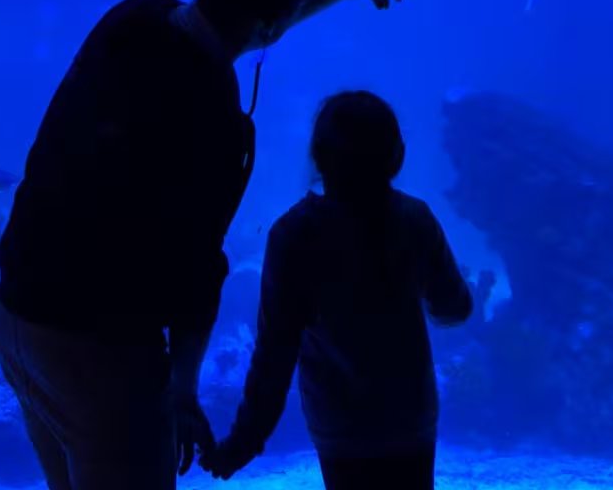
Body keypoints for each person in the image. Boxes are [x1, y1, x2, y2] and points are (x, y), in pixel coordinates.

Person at [0, 0, 413, 490]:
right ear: (277, 14)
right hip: (96, 351)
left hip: (18, 320)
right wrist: (183, 389)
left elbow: (244, 25)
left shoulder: (135, 16)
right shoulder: (211, 119)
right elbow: (198, 269)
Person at [200, 90, 473, 489]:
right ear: (397, 155)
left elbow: (273, 357)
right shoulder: (415, 220)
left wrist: (244, 442)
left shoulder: (294, 235)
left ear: (318, 157)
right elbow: (455, 308)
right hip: (409, 421)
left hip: (340, 426)